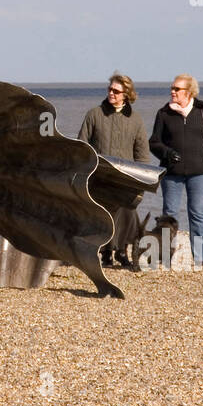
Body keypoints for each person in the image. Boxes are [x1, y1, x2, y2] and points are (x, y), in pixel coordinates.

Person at [149, 74, 203, 267]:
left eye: (177, 89)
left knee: (197, 212)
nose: (172, 92)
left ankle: (200, 258)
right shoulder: (163, 113)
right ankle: (165, 256)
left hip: (199, 172)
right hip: (171, 173)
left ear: (189, 92)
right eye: (172, 88)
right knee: (169, 213)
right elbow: (153, 143)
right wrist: (167, 152)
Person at [76, 73, 152, 267]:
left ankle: (122, 252)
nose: (112, 93)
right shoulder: (94, 114)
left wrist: (141, 183)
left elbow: (142, 154)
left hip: (126, 180)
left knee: (127, 212)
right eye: (110, 89)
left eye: (116, 91)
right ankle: (105, 253)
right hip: (98, 178)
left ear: (126, 94)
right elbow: (81, 146)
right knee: (104, 213)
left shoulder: (135, 120)